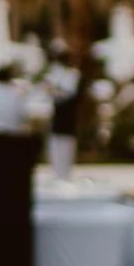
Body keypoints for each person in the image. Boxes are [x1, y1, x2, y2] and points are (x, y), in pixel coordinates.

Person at [42, 44, 82, 180]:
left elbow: (68, 93)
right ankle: (57, 171)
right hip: (58, 110)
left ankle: (64, 173)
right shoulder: (56, 72)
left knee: (65, 141)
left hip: (67, 111)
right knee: (56, 140)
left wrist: (55, 90)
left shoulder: (73, 74)